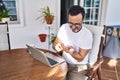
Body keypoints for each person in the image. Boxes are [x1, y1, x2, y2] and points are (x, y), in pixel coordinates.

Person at [52, 5, 93, 80]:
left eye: (77, 24)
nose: (73, 27)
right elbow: (54, 45)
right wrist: (57, 47)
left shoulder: (87, 34)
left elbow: (80, 58)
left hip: (79, 66)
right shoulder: (64, 28)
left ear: (83, 19)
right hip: (63, 62)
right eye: (71, 23)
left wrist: (70, 51)